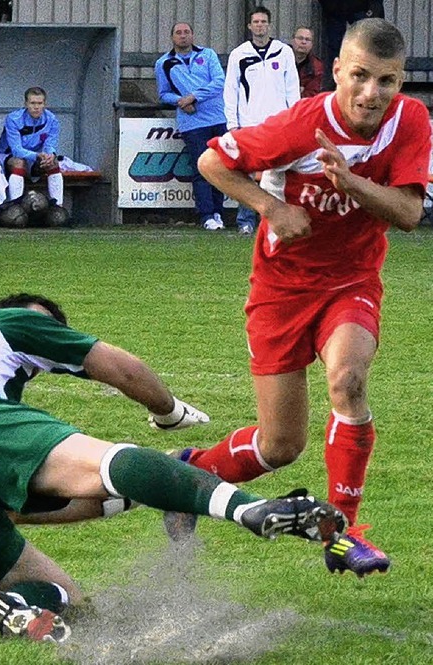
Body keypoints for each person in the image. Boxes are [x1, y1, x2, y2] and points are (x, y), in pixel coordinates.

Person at [0, 292, 341, 643]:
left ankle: (16, 606)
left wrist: (138, 495)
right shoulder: (11, 322)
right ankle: (252, 511)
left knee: (66, 598)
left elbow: (19, 511)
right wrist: (168, 412)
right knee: (107, 460)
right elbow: (123, 369)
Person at [189, 18, 431, 577]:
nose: (372, 93)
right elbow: (211, 162)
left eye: (388, 81)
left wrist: (351, 184)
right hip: (280, 290)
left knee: (348, 379)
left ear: (402, 83)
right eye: (361, 77)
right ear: (338, 71)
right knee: (280, 446)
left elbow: (410, 214)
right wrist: (272, 208)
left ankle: (343, 531)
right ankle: (191, 473)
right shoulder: (301, 124)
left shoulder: (412, 121)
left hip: (352, 282)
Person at [223, 6, 300, 235]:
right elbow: (231, 90)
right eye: (255, 22)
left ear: (269, 25)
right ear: (249, 26)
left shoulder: (283, 52)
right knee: (246, 174)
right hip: (249, 124)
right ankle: (245, 220)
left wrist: (293, 120)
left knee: (278, 173)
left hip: (278, 124)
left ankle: (274, 220)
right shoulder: (239, 54)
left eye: (263, 21)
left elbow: (292, 89)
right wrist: (232, 123)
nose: (259, 25)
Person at [154, 22, 228, 231]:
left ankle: (218, 212)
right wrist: (179, 101)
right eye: (178, 33)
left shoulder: (208, 55)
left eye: (187, 32)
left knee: (221, 167)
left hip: (218, 117)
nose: (183, 36)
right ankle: (206, 215)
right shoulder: (164, 63)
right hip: (192, 123)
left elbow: (219, 82)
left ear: (193, 35)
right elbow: (163, 93)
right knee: (201, 168)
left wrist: (193, 96)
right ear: (172, 37)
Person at [0, 87, 64, 207]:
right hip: (6, 155)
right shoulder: (13, 119)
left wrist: (50, 155)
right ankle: (15, 207)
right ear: (26, 104)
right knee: (19, 162)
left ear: (44, 104)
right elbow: (16, 150)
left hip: (33, 157)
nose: (36, 107)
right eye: (32, 103)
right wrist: (36, 155)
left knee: (53, 163)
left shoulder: (52, 120)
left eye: (39, 103)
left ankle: (58, 207)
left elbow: (50, 145)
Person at [319, 1, 385, 90]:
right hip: (335, 9)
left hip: (361, 8)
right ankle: (335, 83)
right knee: (334, 48)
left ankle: (370, 78)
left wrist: (372, 10)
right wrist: (328, 5)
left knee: (369, 44)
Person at [291, 27, 325, 98]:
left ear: (312, 44)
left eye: (308, 39)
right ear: (292, 41)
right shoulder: (280, 57)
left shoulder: (316, 66)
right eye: (300, 38)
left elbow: (311, 95)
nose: (303, 42)